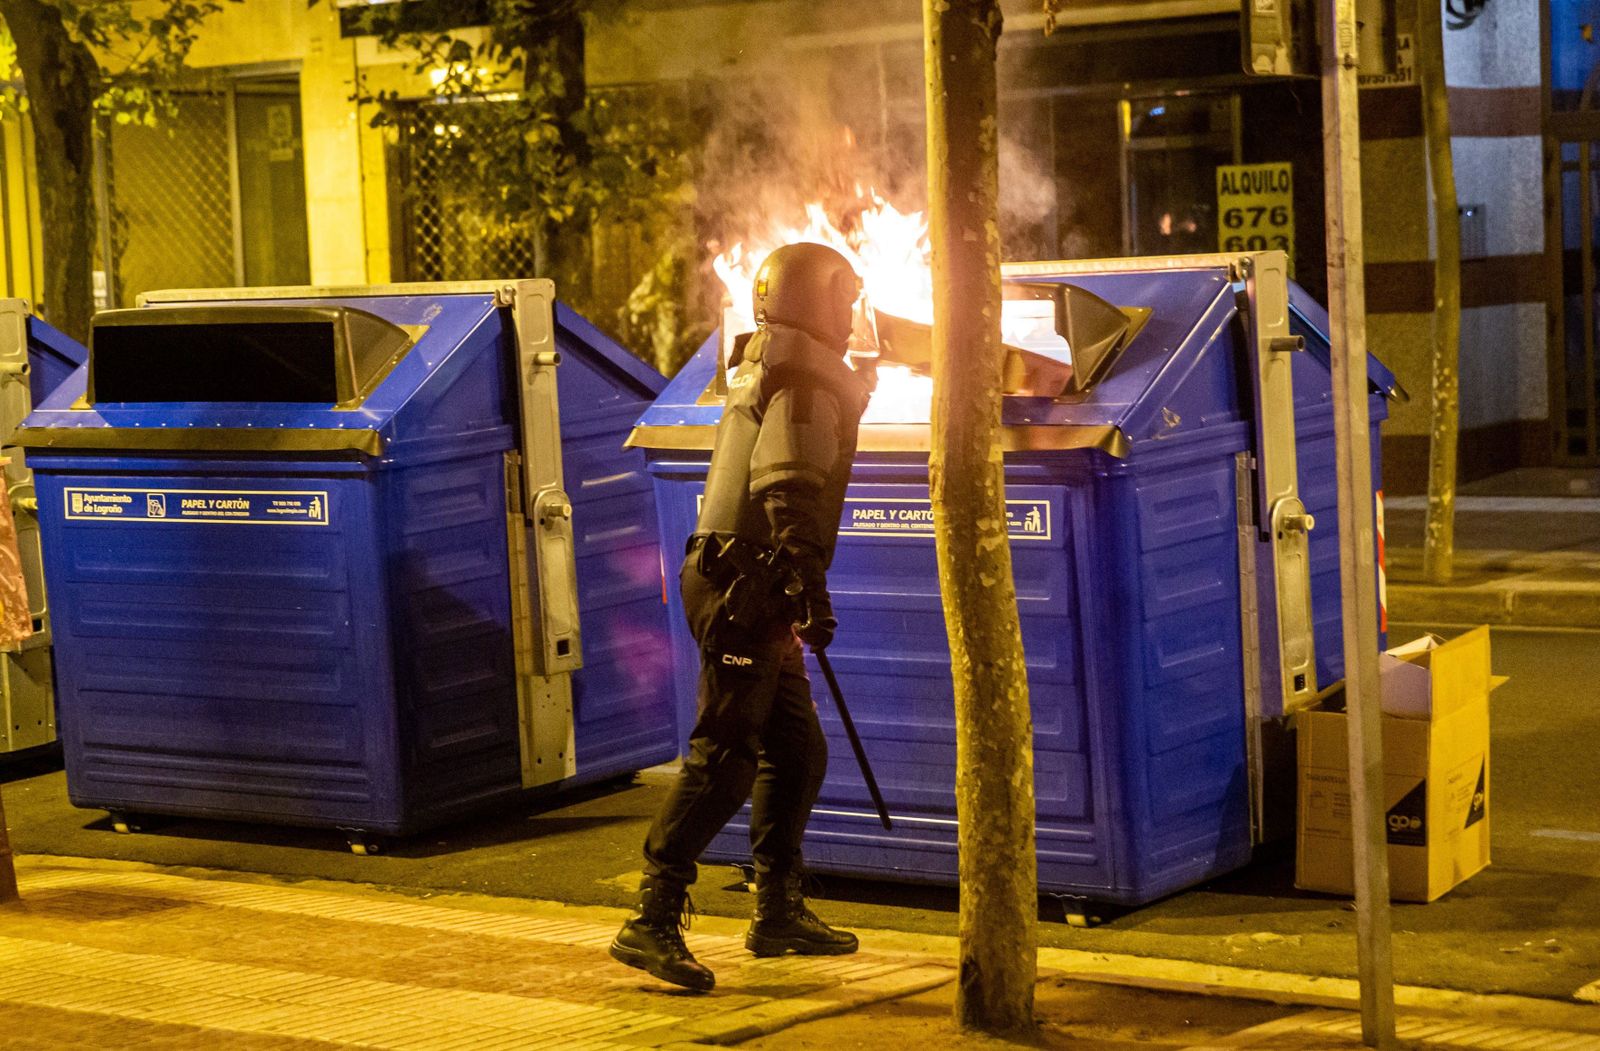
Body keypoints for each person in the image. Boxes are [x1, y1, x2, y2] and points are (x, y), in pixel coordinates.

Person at [609, 242, 873, 992]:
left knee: (797, 750)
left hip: (751, 580)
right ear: (818, 300)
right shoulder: (802, 376)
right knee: (726, 756)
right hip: (747, 586)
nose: (852, 315)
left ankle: (777, 912)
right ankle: (652, 916)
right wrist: (810, 589)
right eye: (845, 300)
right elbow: (787, 484)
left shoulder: (772, 363)